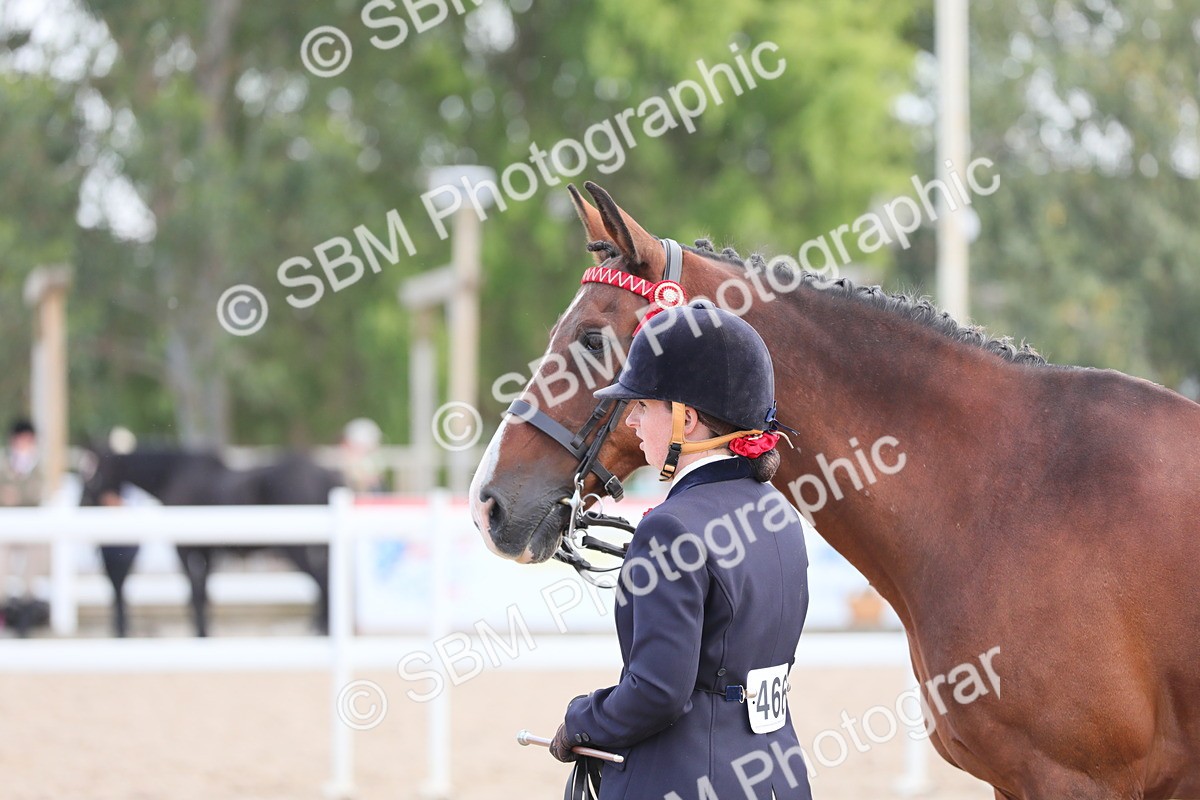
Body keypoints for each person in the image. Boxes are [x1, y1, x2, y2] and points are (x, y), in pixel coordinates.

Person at [548, 303, 812, 800]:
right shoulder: (780, 512)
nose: (632, 424)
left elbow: (657, 692)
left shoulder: (672, 528)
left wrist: (582, 720)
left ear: (686, 421)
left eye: (644, 407)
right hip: (777, 776)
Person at [0, 419, 46, 636]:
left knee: (33, 561)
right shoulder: (4, 463)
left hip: (29, 527)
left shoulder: (37, 467)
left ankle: (26, 611)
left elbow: (38, 495)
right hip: (5, 527)